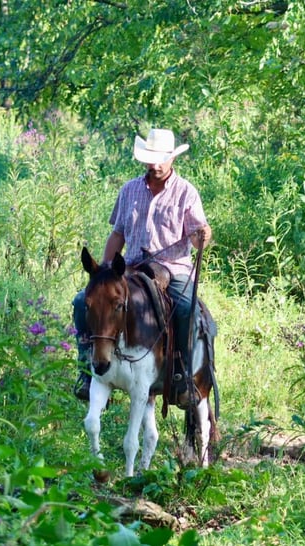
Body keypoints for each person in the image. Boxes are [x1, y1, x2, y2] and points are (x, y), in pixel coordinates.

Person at [72, 128, 212, 400]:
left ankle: (184, 374)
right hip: (131, 268)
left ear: (172, 158)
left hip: (173, 269)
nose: (155, 165)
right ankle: (87, 370)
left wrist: (203, 235)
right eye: (151, 159)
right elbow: (118, 234)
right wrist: (104, 271)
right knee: (81, 303)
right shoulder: (129, 190)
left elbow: (198, 240)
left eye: (161, 159)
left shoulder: (186, 193)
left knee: (188, 310)